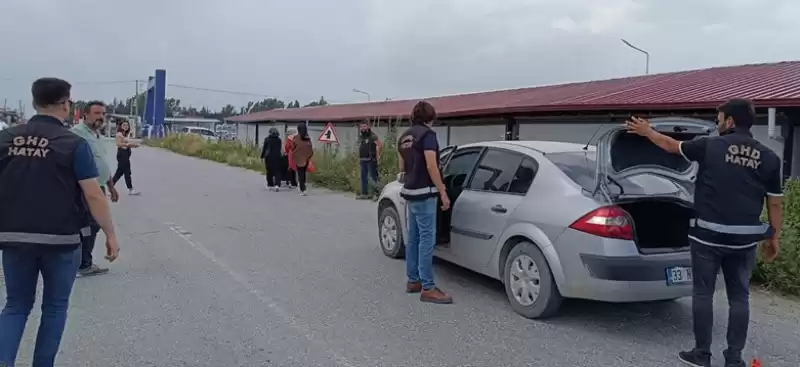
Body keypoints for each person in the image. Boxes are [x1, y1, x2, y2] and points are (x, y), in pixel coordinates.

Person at [625, 98, 782, 367]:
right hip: (743, 241)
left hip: (707, 237)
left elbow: (670, 146)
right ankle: (734, 359)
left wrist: (647, 131)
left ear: (730, 121)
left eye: (719, 118)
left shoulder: (709, 145)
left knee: (703, 294)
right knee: (740, 297)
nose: (716, 122)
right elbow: (775, 201)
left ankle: (702, 355)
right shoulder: (769, 157)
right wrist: (774, 237)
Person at [0, 77, 120, 367]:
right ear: (66, 104)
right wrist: (110, 233)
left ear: (33, 103)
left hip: (14, 237)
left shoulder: (5, 139)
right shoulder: (72, 143)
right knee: (54, 307)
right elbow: (93, 194)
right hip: (61, 240)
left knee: (16, 306)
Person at [397, 101, 452, 304]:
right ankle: (428, 287)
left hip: (410, 191)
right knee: (427, 240)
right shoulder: (428, 136)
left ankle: (413, 281)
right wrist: (443, 191)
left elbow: (402, 165)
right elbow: (431, 165)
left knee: (414, 238)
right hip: (425, 192)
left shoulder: (404, 137)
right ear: (430, 117)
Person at [71, 101, 120, 277]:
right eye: (97, 113)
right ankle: (83, 264)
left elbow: (101, 163)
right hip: (85, 188)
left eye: (103, 114)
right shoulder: (77, 134)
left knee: (93, 225)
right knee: (89, 225)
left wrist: (111, 187)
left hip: (99, 186)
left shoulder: (97, 135)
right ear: (86, 115)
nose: (101, 117)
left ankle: (84, 262)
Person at [112, 120, 141, 195]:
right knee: (127, 172)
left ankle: (110, 187)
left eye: (127, 125)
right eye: (124, 125)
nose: (125, 126)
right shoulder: (119, 134)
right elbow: (118, 144)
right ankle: (130, 188)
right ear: (121, 126)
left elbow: (127, 143)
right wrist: (129, 145)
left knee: (119, 173)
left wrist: (131, 145)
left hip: (125, 154)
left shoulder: (124, 134)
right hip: (122, 155)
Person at [357, 120, 383, 200]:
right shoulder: (361, 136)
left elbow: (380, 145)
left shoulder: (372, 136)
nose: (362, 128)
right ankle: (364, 193)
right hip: (363, 159)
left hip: (371, 159)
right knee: (363, 177)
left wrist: (377, 156)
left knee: (373, 177)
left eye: (364, 126)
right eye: (361, 126)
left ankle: (377, 194)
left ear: (368, 126)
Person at [290, 124, 314, 196]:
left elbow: (292, 147)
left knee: (300, 173)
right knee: (303, 172)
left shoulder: (296, 138)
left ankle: (302, 189)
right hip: (306, 158)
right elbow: (310, 148)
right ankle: (303, 186)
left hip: (298, 158)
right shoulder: (308, 137)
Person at [261, 127, 283, 191]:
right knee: (277, 171)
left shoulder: (267, 139)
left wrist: (262, 157)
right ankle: (277, 185)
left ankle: (270, 184)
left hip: (269, 158)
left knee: (269, 171)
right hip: (278, 157)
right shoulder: (279, 140)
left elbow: (264, 149)